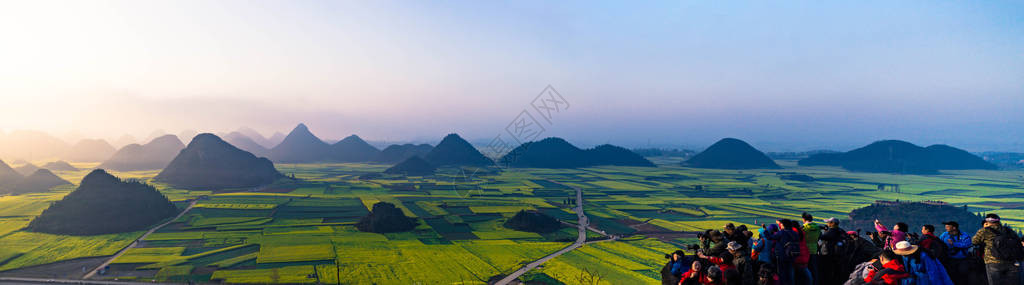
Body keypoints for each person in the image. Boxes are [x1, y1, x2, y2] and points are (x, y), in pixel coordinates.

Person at [972, 214, 1023, 285]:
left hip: (993, 261)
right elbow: (1017, 242)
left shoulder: (984, 231)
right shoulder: (1008, 230)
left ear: (987, 221)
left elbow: (974, 241)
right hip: (1011, 261)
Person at [769, 220, 798, 285]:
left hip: (782, 255)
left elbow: (770, 237)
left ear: (784, 225)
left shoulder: (782, 233)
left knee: (782, 273)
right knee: (790, 273)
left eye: (781, 225)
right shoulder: (794, 233)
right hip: (792, 255)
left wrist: (765, 230)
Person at [818, 217, 845, 285]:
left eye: (828, 222)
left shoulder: (831, 231)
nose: (827, 223)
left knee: (826, 271)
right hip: (838, 254)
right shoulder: (841, 231)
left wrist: (822, 231)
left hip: (827, 254)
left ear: (832, 223)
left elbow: (822, 237)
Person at [801, 213, 822, 285]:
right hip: (814, 249)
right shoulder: (817, 227)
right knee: (814, 268)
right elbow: (819, 237)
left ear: (804, 219)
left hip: (805, 250)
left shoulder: (803, 228)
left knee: (805, 268)